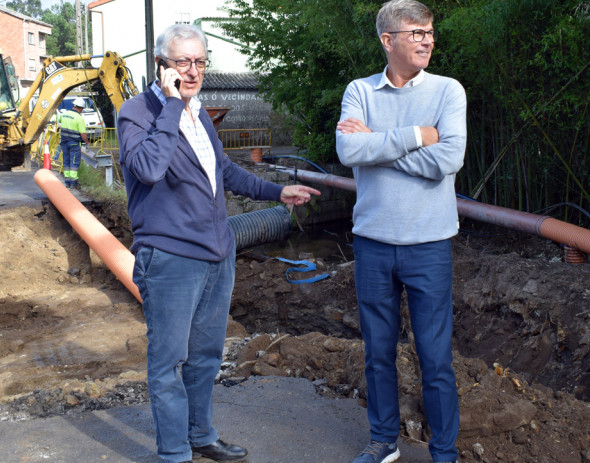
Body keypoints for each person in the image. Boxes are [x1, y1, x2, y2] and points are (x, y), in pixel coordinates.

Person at [118, 23, 320, 463]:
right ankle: (174, 453)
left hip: (217, 254)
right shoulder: (137, 113)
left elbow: (224, 171)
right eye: (182, 63)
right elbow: (150, 168)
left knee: (206, 356)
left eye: (200, 63)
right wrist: (172, 105)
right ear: (161, 66)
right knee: (169, 362)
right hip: (170, 258)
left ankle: (200, 435)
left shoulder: (199, 113)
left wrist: (276, 191)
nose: (193, 72)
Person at [335, 1, 466, 462]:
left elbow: (448, 162)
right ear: (387, 40)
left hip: (429, 245)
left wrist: (378, 143)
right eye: (416, 32)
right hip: (372, 242)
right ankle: (383, 442)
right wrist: (416, 135)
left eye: (429, 31)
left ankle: (444, 452)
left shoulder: (449, 91)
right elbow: (349, 149)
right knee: (377, 353)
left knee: (435, 360)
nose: (427, 39)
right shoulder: (360, 90)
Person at [58, 97, 88, 188]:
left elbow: (59, 121)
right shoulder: (79, 118)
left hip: (64, 142)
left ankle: (67, 182)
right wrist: (87, 142)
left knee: (66, 161)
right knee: (74, 162)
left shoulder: (64, 114)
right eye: (82, 109)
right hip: (74, 143)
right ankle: (73, 183)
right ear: (80, 108)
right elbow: (83, 133)